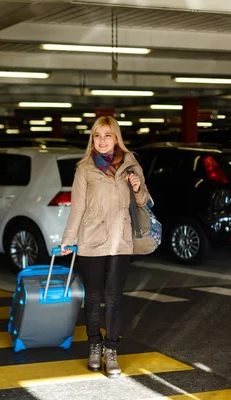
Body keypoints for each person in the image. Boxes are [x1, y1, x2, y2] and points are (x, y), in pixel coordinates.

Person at [60, 115, 150, 378]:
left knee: (114, 298)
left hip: (120, 240)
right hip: (92, 240)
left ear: (116, 138)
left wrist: (136, 187)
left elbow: (144, 200)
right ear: (92, 139)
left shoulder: (131, 164)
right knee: (94, 297)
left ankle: (111, 350)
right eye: (97, 136)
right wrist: (68, 239)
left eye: (107, 135)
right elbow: (77, 208)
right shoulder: (85, 169)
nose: (102, 141)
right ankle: (94, 346)